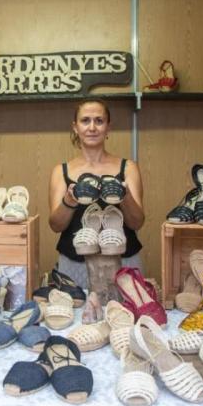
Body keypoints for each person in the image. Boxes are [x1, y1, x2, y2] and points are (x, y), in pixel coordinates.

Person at [49, 98, 145, 290]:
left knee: (126, 309)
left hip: (123, 259)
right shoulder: (61, 171)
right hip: (75, 262)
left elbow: (137, 222)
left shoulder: (128, 168)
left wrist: (124, 195)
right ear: (75, 127)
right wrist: (69, 201)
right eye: (85, 120)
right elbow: (56, 225)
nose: (92, 127)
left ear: (108, 127)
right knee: (77, 309)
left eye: (99, 121)